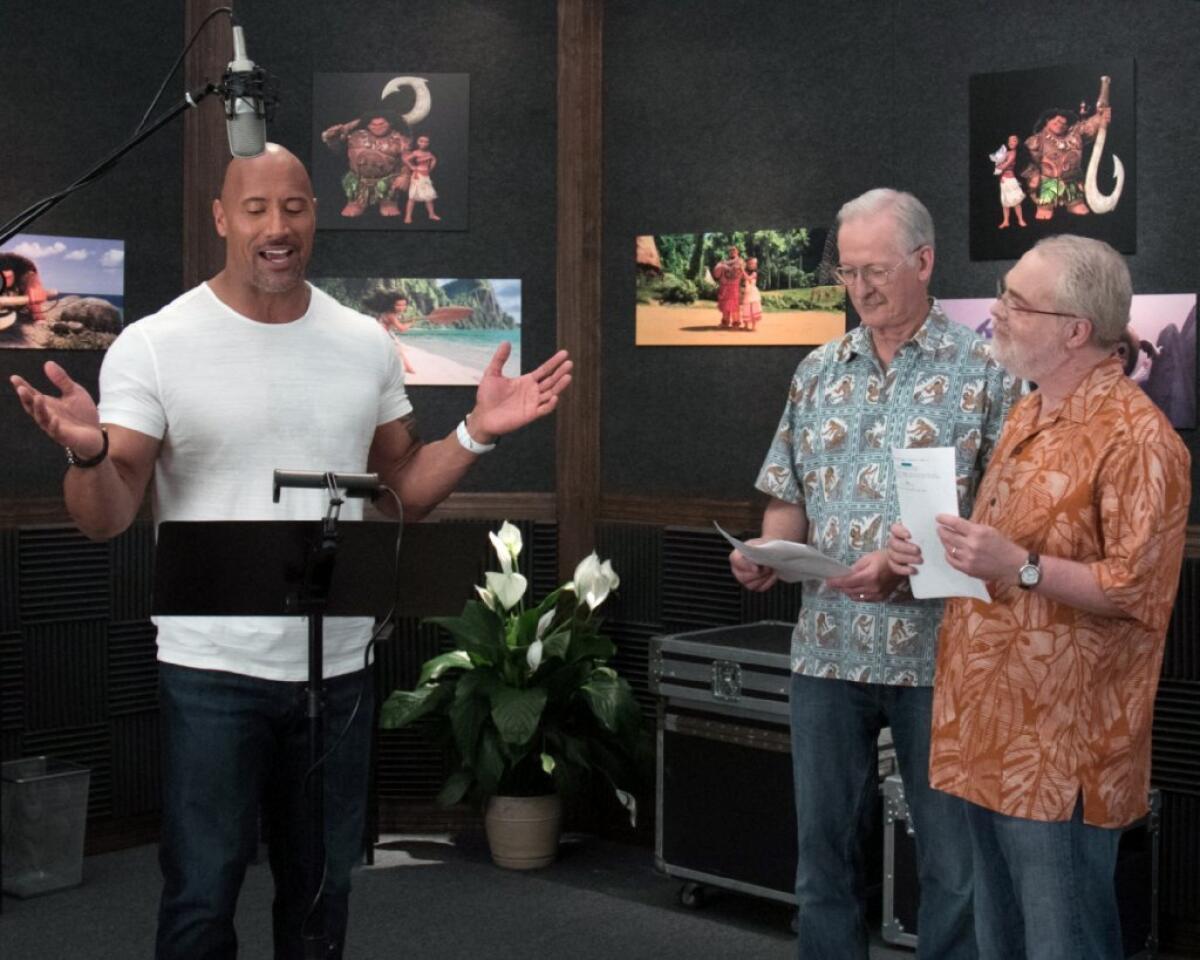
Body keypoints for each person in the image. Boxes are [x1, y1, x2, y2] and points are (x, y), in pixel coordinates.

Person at [8, 143, 572, 960]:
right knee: (202, 894)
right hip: (209, 672)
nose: (278, 227)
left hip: (334, 671)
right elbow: (106, 517)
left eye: (295, 207)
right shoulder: (158, 343)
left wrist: (477, 433)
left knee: (322, 892)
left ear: (316, 215)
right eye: (256, 208)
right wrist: (89, 454)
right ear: (220, 219)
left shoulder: (363, 344)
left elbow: (401, 489)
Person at [729, 188, 1016, 959]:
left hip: (942, 659)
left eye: (877, 270)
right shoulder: (818, 368)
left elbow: (1010, 520)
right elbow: (787, 493)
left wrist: (905, 566)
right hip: (827, 649)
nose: (860, 288)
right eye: (849, 272)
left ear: (924, 262)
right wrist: (765, 553)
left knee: (954, 868)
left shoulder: (987, 370)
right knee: (824, 862)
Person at [887, 235, 1190, 960]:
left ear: (1075, 330)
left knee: (1065, 943)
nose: (995, 313)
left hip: (1062, 759)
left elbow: (1134, 590)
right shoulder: (1028, 412)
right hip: (986, 734)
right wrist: (929, 552)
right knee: (1003, 945)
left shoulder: (1140, 440)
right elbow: (997, 550)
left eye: (1016, 302)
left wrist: (1020, 565)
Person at [1022, 104, 1110, 221]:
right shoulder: (1036, 141)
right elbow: (1023, 160)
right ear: (1048, 120)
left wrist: (1101, 116)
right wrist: (1033, 176)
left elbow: (1090, 125)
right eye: (1057, 121)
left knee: (1081, 212)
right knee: (1044, 215)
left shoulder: (1076, 135)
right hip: (1048, 184)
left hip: (1073, 183)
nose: (1061, 125)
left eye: (1064, 123)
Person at [990, 134, 1027, 229]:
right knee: (1005, 202)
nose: (1011, 142)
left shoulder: (1013, 153)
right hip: (1003, 179)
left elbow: (1005, 165)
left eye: (1014, 140)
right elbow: (999, 164)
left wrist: (999, 166)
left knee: (1016, 201)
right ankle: (1006, 221)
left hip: (1011, 179)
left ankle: (1020, 220)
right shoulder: (1006, 152)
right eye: (1010, 140)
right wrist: (999, 169)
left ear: (1017, 143)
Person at [402, 135, 441, 224]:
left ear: (429, 143)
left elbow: (433, 160)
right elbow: (406, 159)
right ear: (418, 142)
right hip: (418, 176)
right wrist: (412, 167)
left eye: (426, 142)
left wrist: (430, 168)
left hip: (426, 176)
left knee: (429, 197)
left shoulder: (429, 153)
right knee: (412, 197)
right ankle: (408, 216)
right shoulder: (416, 153)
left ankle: (431, 214)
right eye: (421, 141)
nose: (424, 143)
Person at [378, 295, 417, 374]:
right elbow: (401, 329)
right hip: (383, 334)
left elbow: (392, 323)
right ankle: (408, 368)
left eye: (404, 305)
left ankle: (407, 368)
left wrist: (405, 322)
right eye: (398, 305)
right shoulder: (391, 315)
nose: (401, 307)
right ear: (392, 305)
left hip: (384, 333)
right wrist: (411, 323)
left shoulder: (389, 313)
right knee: (398, 350)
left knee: (399, 350)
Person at [712, 245, 744, 328]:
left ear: (737, 252)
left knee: (734, 305)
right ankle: (725, 322)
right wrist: (721, 266)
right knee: (725, 304)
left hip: (734, 287)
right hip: (725, 286)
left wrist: (725, 266)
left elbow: (737, 271)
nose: (732, 252)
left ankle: (736, 322)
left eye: (734, 250)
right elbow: (717, 274)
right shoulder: (724, 261)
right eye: (731, 251)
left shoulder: (740, 261)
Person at [739, 256, 762, 331]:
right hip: (747, 292)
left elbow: (748, 278)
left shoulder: (755, 273)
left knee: (753, 309)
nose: (752, 265)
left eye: (754, 264)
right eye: (750, 263)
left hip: (753, 293)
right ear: (748, 264)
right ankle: (746, 325)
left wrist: (742, 270)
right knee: (746, 308)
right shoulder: (745, 272)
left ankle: (754, 326)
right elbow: (741, 279)